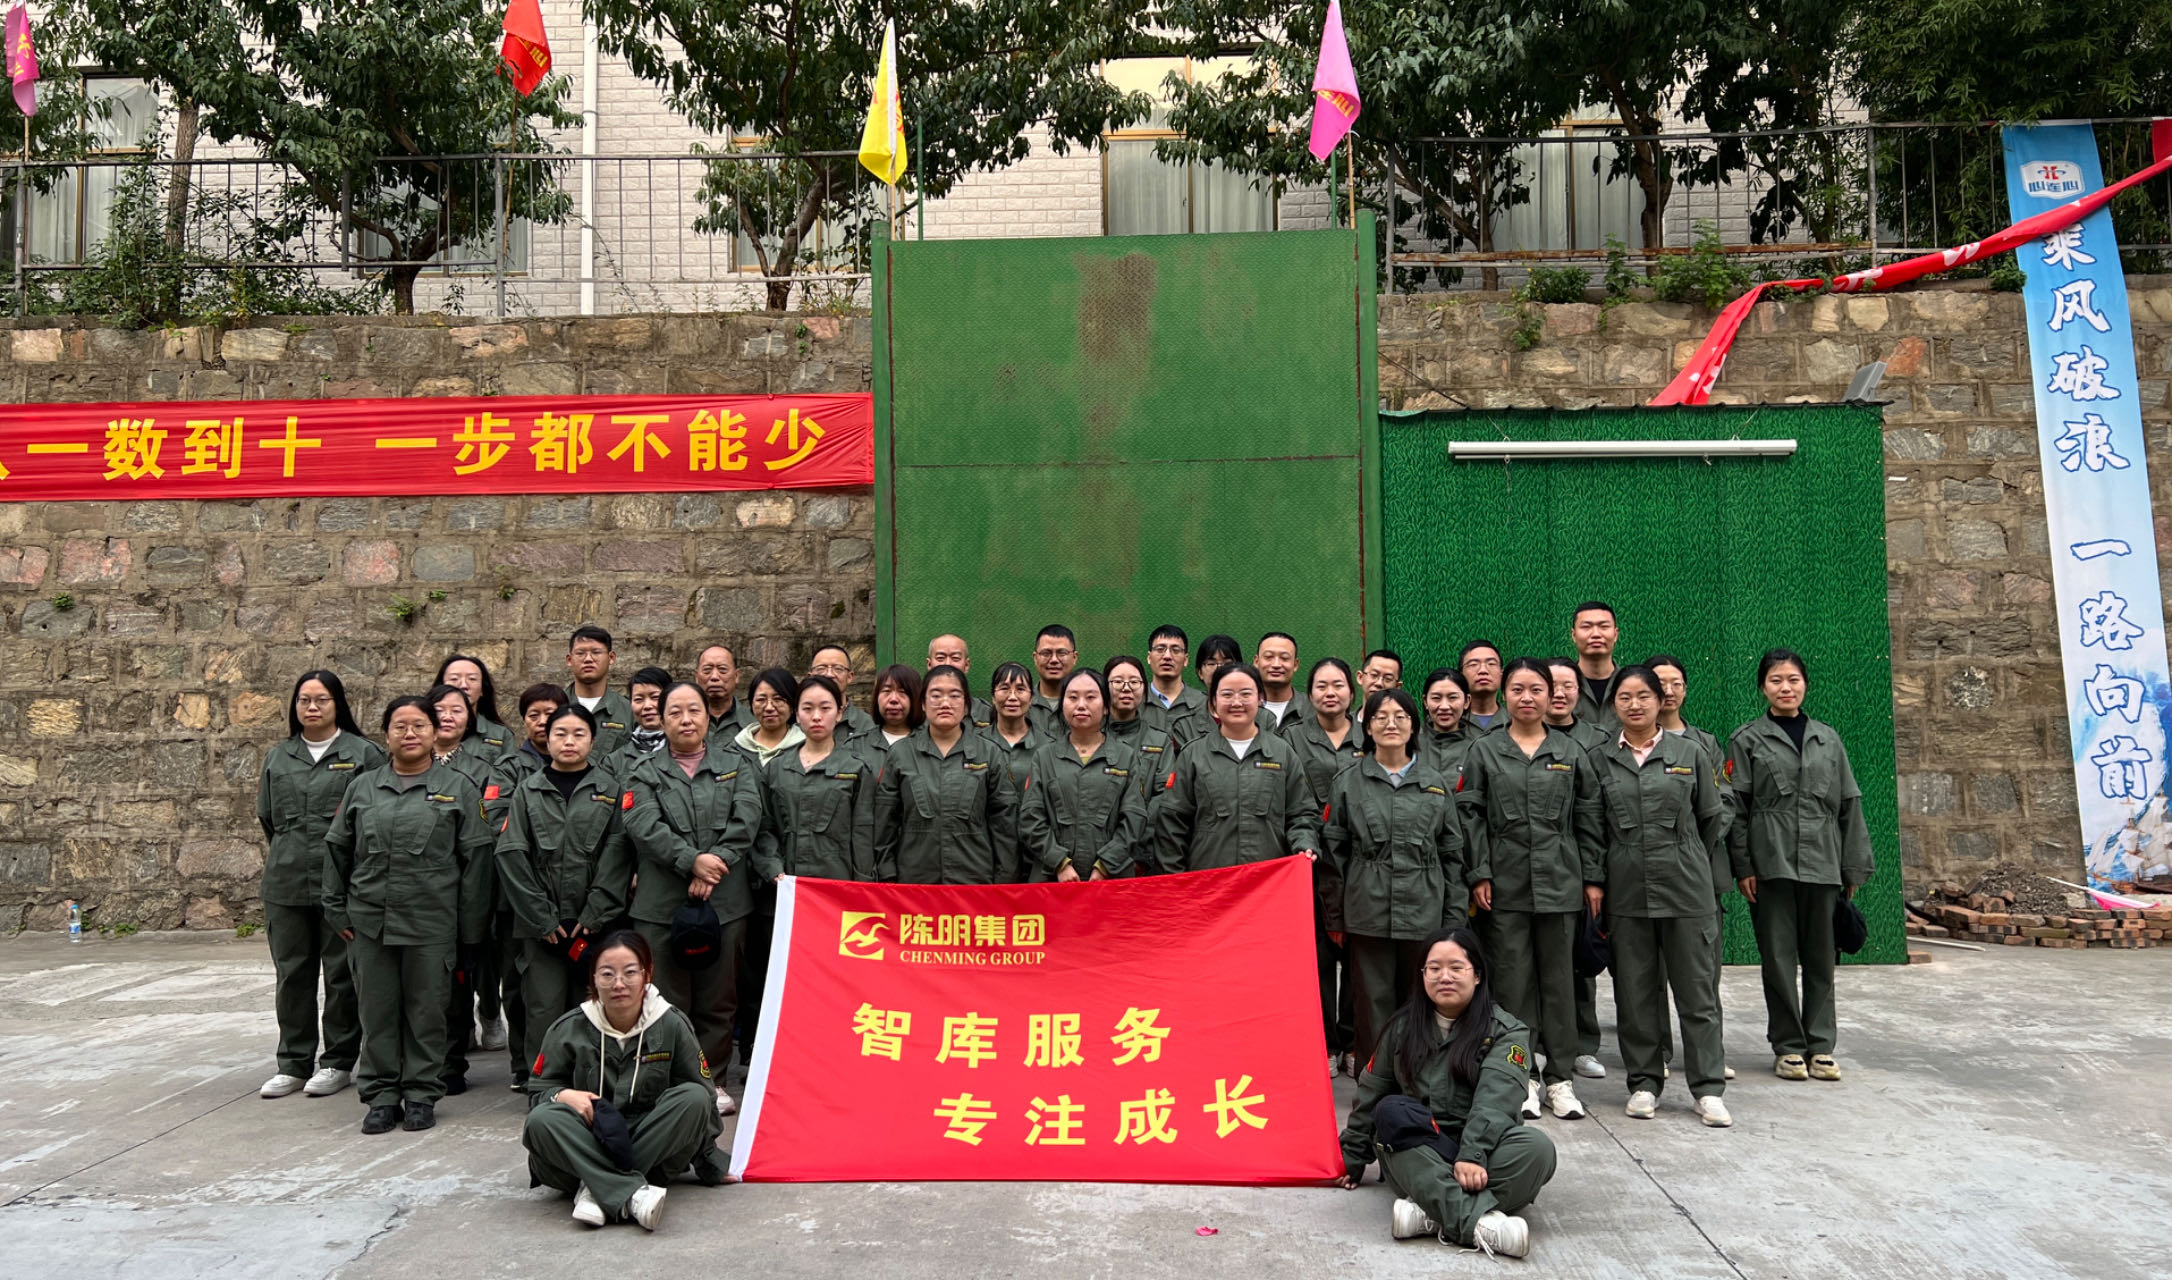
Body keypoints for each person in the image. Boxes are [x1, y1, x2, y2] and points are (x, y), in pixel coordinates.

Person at [323, 695, 493, 1134]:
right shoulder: (363, 787)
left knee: (427, 1013)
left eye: (419, 725)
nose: (410, 734)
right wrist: (337, 911)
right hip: (370, 922)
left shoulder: (458, 788)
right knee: (376, 1013)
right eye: (400, 726)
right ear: (386, 736)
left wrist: (470, 931)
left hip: (432, 923)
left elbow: (476, 863)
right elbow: (338, 849)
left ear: (435, 733)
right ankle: (381, 1096)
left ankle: (420, 1094)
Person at [1336, 927, 1553, 1259]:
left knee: (1537, 1149)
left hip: (1482, 1152)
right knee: (1391, 1114)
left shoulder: (1506, 1032)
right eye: (1434, 968)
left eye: (1456, 967)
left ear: (1477, 975)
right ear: (1423, 975)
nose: (1444, 977)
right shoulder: (1401, 1027)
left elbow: (1496, 1101)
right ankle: (1481, 1224)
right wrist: (1351, 1157)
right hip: (1420, 1148)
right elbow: (1372, 1093)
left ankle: (1429, 1211)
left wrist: (1472, 1155)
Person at [1457, 658, 1603, 1121]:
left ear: (1550, 695)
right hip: (1505, 884)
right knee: (1512, 985)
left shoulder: (1570, 751)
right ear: (1505, 695)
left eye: (1536, 689)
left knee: (1560, 984)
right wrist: (1480, 872)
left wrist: (1593, 878)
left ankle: (1560, 1078)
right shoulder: (1485, 750)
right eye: (1518, 689)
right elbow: (1470, 816)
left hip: (1560, 881)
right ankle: (1520, 1077)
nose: (1527, 698)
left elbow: (1589, 818)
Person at [1589, 667, 1732, 1127]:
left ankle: (1707, 1089)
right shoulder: (1600, 759)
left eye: (1644, 696)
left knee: (1697, 994)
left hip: (1687, 889)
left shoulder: (1690, 752)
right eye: (1625, 697)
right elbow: (1594, 828)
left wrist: (1682, 856)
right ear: (1614, 705)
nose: (1635, 705)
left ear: (1660, 700)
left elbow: (1710, 818)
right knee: (1635, 994)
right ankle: (1644, 1083)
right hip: (1627, 892)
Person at [1727, 649, 1874, 1084]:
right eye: (1776, 680)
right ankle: (1789, 1046)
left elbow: (1849, 804)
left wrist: (1853, 867)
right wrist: (1743, 866)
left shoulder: (1827, 739)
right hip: (1770, 864)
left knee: (1821, 959)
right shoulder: (1747, 739)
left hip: (1823, 862)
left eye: (1793, 679)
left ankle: (1821, 1045)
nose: (1785, 688)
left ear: (1805, 684)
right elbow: (1737, 808)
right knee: (1777, 959)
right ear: (1762, 687)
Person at [622, 683, 764, 1117]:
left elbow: (748, 818)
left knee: (718, 999)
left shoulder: (736, 765)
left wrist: (713, 864)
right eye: (675, 712)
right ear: (662, 720)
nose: (686, 720)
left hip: (725, 903)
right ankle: (670, 1082)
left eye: (694, 711)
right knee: (664, 1000)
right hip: (662, 905)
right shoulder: (643, 772)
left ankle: (712, 1079)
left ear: (707, 717)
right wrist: (691, 862)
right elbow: (642, 824)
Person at [522, 930, 727, 1230]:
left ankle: (596, 1188)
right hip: (585, 1141)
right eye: (607, 974)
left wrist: (710, 1163)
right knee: (541, 1120)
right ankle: (633, 1193)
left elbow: (704, 1099)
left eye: (630, 972)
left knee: (693, 1097)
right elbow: (538, 1093)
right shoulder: (568, 1028)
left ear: (647, 975)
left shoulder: (670, 1023)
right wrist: (562, 1095)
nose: (618, 984)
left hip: (650, 1144)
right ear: (593, 978)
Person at [1321, 689, 1468, 1074]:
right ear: (1367, 727)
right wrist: (1335, 917)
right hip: (1367, 911)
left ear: (1414, 726)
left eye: (1400, 716)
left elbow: (1452, 855)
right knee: (1371, 1005)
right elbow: (1334, 856)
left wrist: (1453, 920)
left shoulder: (1434, 783)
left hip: (1423, 911)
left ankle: (1416, 1082)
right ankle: (1373, 1086)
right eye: (1380, 717)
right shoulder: (1348, 783)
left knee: (1420, 1001)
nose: (1391, 724)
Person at [256, 670, 385, 1101]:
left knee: (342, 974)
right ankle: (293, 1063)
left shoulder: (363, 754)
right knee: (292, 974)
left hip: (343, 884)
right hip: (287, 881)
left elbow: (374, 817)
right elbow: (269, 819)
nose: (312, 707)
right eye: (304, 700)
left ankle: (337, 1061)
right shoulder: (279, 757)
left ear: (338, 704)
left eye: (321, 699)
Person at [496, 705, 633, 1074]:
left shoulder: (610, 790)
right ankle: (545, 1084)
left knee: (595, 1003)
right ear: (547, 738)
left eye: (578, 734)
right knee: (543, 1007)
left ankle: (595, 1081)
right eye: (560, 734)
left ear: (592, 739)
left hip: (596, 923)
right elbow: (512, 854)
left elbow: (619, 853)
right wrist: (541, 917)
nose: (569, 742)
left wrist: (595, 912)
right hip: (543, 927)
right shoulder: (528, 791)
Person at [1282, 656, 1366, 1073]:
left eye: (1338, 685)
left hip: (1360, 862)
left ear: (1352, 691)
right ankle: (1325, 1044)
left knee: (1357, 957)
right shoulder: (1291, 738)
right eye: (1321, 686)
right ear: (1309, 692)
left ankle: (1352, 1042)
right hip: (1309, 862)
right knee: (1315, 959)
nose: (1330, 693)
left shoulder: (1370, 735)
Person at [1154, 663, 1321, 872]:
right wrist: (1176, 879)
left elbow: (1301, 813)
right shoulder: (1193, 755)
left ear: (1260, 698)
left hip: (1268, 880)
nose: (1236, 702)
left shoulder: (1282, 753)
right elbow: (1172, 822)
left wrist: (1304, 845)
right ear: (1213, 701)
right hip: (1209, 881)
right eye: (1227, 694)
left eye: (1245, 694)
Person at [874, 664, 1021, 884]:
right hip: (915, 883)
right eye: (936, 695)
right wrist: (887, 875)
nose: (945, 703)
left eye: (954, 695)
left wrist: (1004, 880)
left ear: (966, 704)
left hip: (974, 880)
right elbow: (885, 823)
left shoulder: (989, 753)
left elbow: (1005, 825)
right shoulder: (901, 754)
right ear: (923, 704)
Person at [427, 681, 501, 1093]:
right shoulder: (404, 762)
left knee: (456, 982)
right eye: (439, 709)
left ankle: (451, 1061)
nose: (447, 716)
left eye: (457, 710)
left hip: (462, 888)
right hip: (417, 893)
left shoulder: (481, 767)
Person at [1543, 656, 1610, 1083]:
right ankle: (1535, 1047)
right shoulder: (1518, 737)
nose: (1560, 693)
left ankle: (1583, 1044)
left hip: (1580, 863)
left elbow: (1596, 813)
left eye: (1569, 686)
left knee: (1580, 961)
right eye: (1551, 685)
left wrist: (1594, 876)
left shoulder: (1597, 740)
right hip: (1534, 866)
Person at [1017, 668, 1150, 882]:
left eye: (1090, 697)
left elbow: (1134, 819)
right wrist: (1060, 863)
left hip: (1112, 878)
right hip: (1052, 878)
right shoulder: (1044, 757)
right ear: (1062, 704)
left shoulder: (1126, 757)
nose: (1081, 705)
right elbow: (1031, 818)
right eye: (1072, 697)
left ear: (1106, 706)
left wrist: (1105, 866)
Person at [756, 675, 878, 882]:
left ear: (839, 713)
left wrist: (862, 884)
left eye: (825, 708)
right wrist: (772, 867)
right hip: (787, 884)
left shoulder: (856, 768)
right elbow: (765, 827)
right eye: (807, 709)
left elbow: (863, 835)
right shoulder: (776, 768)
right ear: (796, 714)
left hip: (838, 884)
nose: (816, 717)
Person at [1100, 655, 1178, 872]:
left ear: (1144, 689)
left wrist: (1139, 854)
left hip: (1142, 857)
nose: (1126, 688)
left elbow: (1163, 800)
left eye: (1134, 682)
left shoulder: (1159, 741)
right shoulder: (1089, 737)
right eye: (1117, 681)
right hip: (1094, 853)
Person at [567, 626, 635, 757]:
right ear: (569, 660)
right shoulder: (556, 706)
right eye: (580, 653)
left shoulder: (628, 711)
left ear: (611, 657)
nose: (588, 659)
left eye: (596, 652)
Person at [984, 661, 1045, 789]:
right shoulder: (977, 742)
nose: (1012, 697)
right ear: (993, 697)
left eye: (1020, 689)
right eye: (1004, 688)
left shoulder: (1047, 746)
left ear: (1031, 698)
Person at [438, 655, 513, 756]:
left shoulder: (500, 734)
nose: (463, 685)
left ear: (482, 689)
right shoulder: (426, 729)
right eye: (454, 679)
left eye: (472, 679)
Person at [1141, 624, 1206, 738]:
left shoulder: (1204, 704)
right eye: (1160, 649)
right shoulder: (1135, 702)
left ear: (1185, 660)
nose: (1167, 656)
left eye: (1175, 650)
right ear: (1149, 657)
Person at [734, 668, 805, 766]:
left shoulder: (807, 747)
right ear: (751, 704)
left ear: (792, 704)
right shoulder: (735, 748)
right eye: (761, 699)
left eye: (778, 699)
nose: (769, 708)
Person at [1571, 602, 1624, 730]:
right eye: (1586, 627)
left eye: (1604, 626)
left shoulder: (1630, 684)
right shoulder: (1559, 687)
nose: (1596, 634)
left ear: (1615, 634)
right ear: (1574, 635)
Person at [613, 667, 674, 775]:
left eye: (655, 697)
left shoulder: (689, 749)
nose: (647, 706)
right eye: (639, 699)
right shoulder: (616, 760)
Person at [810, 644, 879, 740]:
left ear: (850, 677)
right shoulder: (800, 723)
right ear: (810, 676)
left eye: (838, 669)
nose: (829, 674)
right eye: (821, 669)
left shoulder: (866, 724)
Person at [1417, 668, 1475, 781]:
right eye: (1436, 698)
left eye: (1452, 698)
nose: (1444, 706)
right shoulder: (1409, 744)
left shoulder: (1479, 747)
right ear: (1425, 702)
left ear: (1467, 701)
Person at [927, 634, 995, 728]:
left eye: (955, 658)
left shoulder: (984, 713)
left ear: (966, 665)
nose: (948, 664)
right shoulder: (915, 713)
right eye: (940, 658)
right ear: (929, 664)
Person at [1255, 633, 1310, 734]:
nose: (1276, 665)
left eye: (1284, 658)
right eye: (1268, 657)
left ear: (1295, 664)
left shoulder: (1312, 709)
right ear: (1256, 662)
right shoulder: (1242, 708)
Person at [1029, 624, 1078, 732]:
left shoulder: (1087, 705)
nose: (1054, 660)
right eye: (1046, 653)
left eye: (1062, 653)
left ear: (1074, 657)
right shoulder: (1021, 703)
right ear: (1035, 658)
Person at [697, 645, 751, 741]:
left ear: (736, 676)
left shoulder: (753, 724)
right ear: (696, 677)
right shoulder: (684, 723)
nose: (714, 677)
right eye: (707, 670)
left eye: (722, 669)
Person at [872, 663, 926, 748]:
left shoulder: (929, 743)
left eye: (902, 692)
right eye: (887, 691)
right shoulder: (857, 744)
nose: (893, 699)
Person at [1459, 642, 1506, 732]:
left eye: (1491, 664)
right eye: (1473, 664)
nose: (1483, 670)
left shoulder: (1515, 722)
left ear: (1501, 674)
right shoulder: (1448, 722)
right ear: (1461, 675)